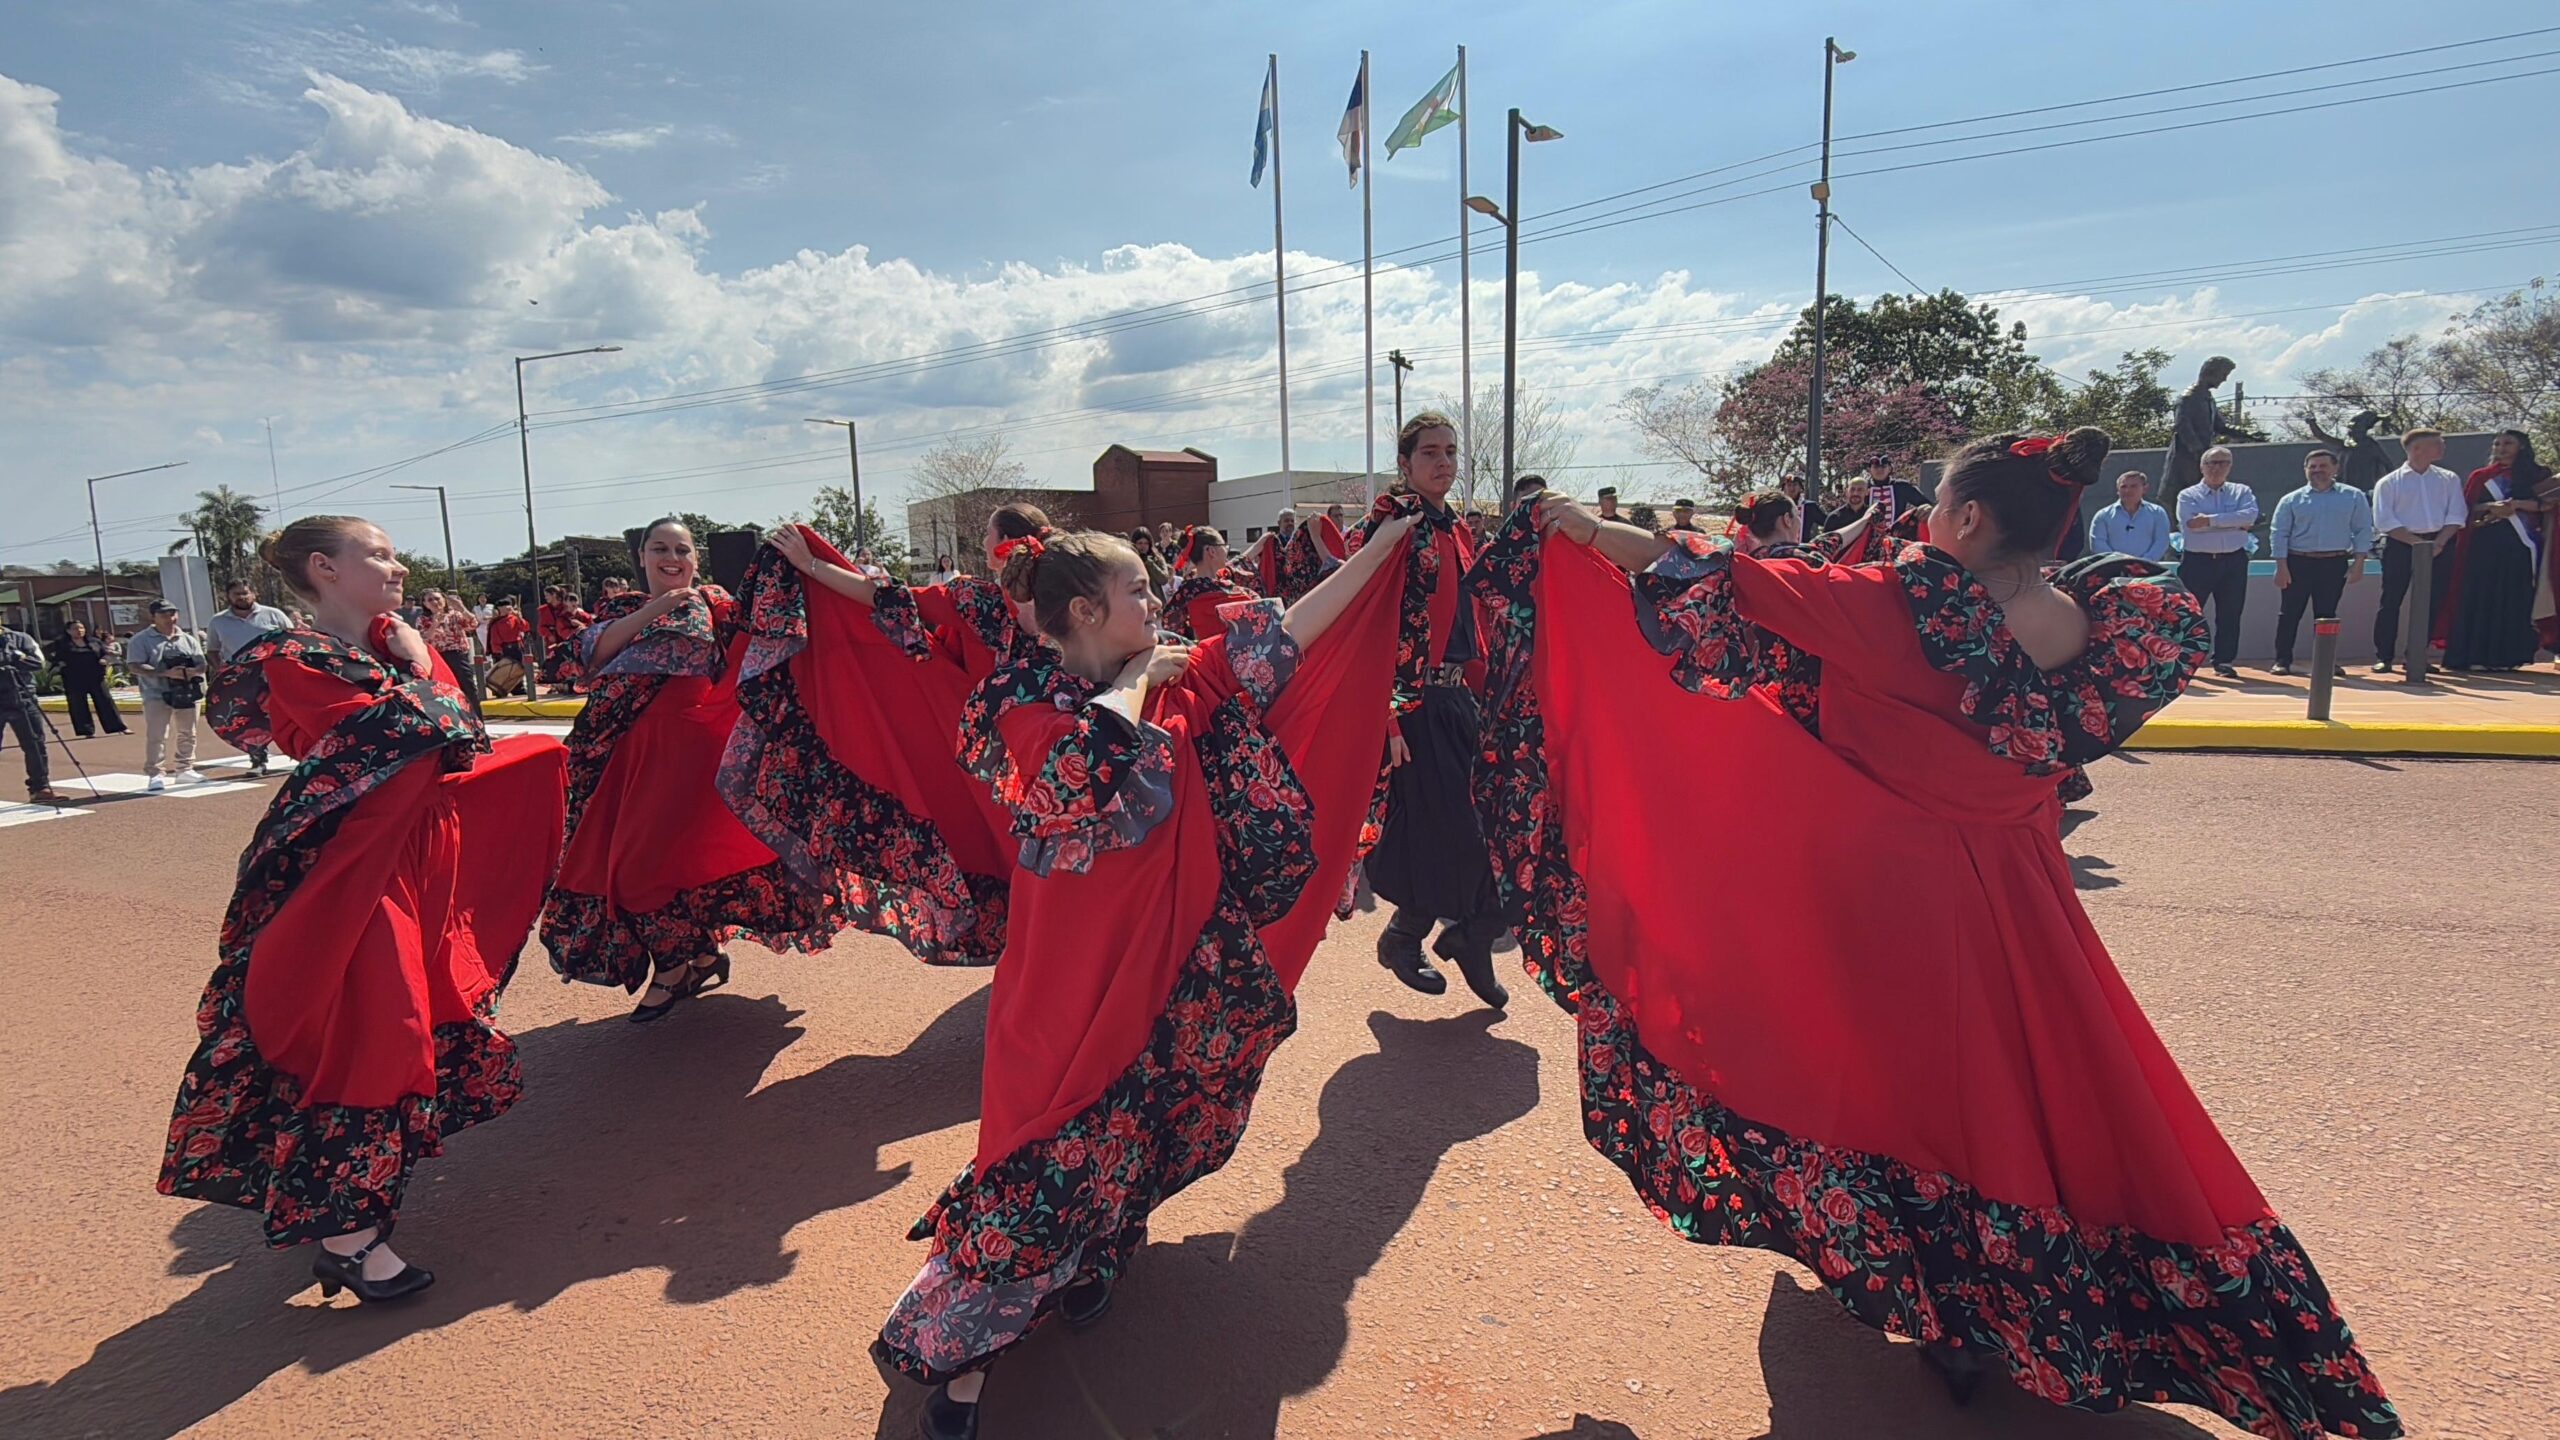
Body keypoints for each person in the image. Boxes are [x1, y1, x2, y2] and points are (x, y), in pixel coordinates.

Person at [1502, 430, 2398, 1440]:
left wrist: (1575, 525)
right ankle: (2055, 1320)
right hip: (2024, 902)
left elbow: (1706, 570)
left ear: (1967, 519)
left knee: (1893, 1094)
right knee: (2039, 1090)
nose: (1927, 522)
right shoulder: (2106, 626)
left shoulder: (1892, 609)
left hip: (1888, 910)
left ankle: (1943, 1309)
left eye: (1939, 507)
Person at [875, 517, 1412, 1435]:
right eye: (1138, 592)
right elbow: (1076, 770)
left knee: (1144, 1116)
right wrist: (1129, 685)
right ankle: (964, 1369)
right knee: (1035, 1155)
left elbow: (1286, 632)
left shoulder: (1178, 676)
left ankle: (1094, 1258)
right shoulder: (1018, 697)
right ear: (1085, 610)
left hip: (1173, 961)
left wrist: (1382, 551)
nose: (1157, 604)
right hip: (1065, 981)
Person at [158, 515, 567, 1303]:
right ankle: (346, 1237)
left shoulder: (373, 653)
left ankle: (349, 1218)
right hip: (348, 876)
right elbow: (433, 726)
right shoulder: (295, 657)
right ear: (325, 569)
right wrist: (421, 660)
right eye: (377, 554)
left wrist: (415, 660)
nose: (398, 566)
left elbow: (463, 740)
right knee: (377, 1029)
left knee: (390, 1023)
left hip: (399, 865)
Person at [541, 518, 834, 1021]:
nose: (671, 557)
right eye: (660, 548)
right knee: (628, 868)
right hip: (631, 755)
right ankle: (694, 957)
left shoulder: (717, 604)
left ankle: (680, 966)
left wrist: (805, 562)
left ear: (696, 560)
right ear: (641, 557)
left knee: (646, 867)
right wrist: (661, 606)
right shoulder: (620, 609)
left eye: (682, 549)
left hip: (697, 753)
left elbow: (777, 632)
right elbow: (581, 658)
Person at [1362, 412, 1509, 1010]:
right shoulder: (1392, 524)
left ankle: (1467, 934)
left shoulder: (1456, 529)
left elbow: (1470, 620)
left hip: (1457, 698)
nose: (1444, 462)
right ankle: (1411, 935)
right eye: (1430, 453)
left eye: (1450, 451)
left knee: (1498, 821)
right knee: (1454, 832)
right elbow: (1366, 621)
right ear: (1405, 463)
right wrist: (1388, 716)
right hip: (1414, 704)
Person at [2435, 429, 2550, 672]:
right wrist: (2490, 506)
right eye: (2497, 444)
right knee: (2480, 596)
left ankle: (2507, 656)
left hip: (2520, 546)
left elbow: (2546, 506)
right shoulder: (2481, 477)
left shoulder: (2538, 474)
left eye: (2508, 443)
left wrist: (2516, 505)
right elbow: (2466, 508)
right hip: (2483, 545)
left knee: (2512, 597)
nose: (2501, 448)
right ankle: (2472, 654)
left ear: (2522, 447)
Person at [2267, 450, 2375, 676]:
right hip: (2298, 562)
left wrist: (2359, 563)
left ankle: (2326, 662)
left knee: (2327, 614)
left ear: (2335, 468)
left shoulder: (2353, 497)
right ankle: (2282, 660)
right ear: (2305, 470)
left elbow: (2363, 530)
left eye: (2323, 466)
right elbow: (2279, 534)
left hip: (2334, 562)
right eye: (2312, 467)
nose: (2317, 471)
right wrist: (2281, 566)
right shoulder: (2291, 500)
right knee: (2289, 613)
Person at [2369, 428, 2468, 673]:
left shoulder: (2448, 478)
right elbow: (2385, 521)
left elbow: (2456, 514)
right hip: (2401, 545)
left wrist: (2440, 542)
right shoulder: (2389, 482)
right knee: (2391, 599)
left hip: (2440, 544)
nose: (2442, 448)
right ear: (2416, 449)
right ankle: (2384, 656)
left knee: (2433, 600)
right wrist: (2417, 544)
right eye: (2437, 444)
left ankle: (2417, 654)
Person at [2173, 446, 2258, 679]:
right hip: (2197, 561)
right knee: (2189, 613)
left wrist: (2210, 520)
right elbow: (2191, 526)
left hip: (2233, 560)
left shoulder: (2242, 492)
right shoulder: (2188, 495)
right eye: (2211, 463)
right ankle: (2185, 660)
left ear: (2230, 466)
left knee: (2230, 613)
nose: (2216, 468)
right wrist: (2233, 522)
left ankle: (2224, 660)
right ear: (2202, 467)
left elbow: (2250, 517)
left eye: (2222, 462)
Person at [207, 580, 294, 775]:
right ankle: (258, 761)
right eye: (237, 594)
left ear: (253, 594)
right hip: (241, 678)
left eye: (245, 593)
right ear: (228, 596)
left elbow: (294, 638)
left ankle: (301, 754)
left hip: (275, 673)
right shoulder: (218, 621)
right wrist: (223, 670)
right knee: (250, 719)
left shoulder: (273, 615)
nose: (242, 597)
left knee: (288, 713)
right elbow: (212, 651)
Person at [126, 599, 210, 790]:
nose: (169, 619)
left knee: (188, 732)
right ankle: (155, 773)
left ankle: (185, 768)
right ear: (153, 617)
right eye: (163, 615)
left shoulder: (188, 639)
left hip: (187, 692)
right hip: (157, 693)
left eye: (172, 614)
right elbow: (134, 666)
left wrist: (192, 671)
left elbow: (202, 664)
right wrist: (164, 673)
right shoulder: (141, 640)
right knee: (157, 735)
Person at [2, 622, 76, 805]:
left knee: (35, 744)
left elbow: (38, 663)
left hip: (23, 697)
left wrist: (15, 656)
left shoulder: (20, 639)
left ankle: (40, 787)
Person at [2160, 355, 2238, 506]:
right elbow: (2182, 428)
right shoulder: (2188, 398)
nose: (2224, 380)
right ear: (2211, 373)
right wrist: (2203, 455)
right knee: (2183, 501)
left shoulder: (2207, 398)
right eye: (2223, 375)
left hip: (2201, 461)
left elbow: (2220, 426)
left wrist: (2248, 434)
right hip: (2185, 462)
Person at [1161, 525, 1263, 640]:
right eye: (1224, 546)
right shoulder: (1201, 588)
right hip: (1224, 653)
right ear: (1211, 551)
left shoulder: (1188, 590)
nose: (1226, 550)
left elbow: (1169, 622)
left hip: (1208, 654)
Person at [48, 619, 126, 737]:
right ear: (68, 631)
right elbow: (49, 654)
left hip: (96, 676)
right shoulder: (61, 643)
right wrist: (60, 664)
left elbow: (104, 653)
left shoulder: (94, 642)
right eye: (75, 628)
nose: (79, 631)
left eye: (81, 628)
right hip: (73, 678)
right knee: (78, 705)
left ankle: (117, 727)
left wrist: (105, 660)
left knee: (105, 701)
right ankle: (86, 730)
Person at [418, 589, 483, 717]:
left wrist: (462, 608)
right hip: (437, 657)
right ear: (425, 604)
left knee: (468, 688)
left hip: (457, 654)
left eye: (437, 599)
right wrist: (435, 623)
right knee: (443, 691)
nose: (435, 602)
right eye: (430, 600)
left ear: (444, 600)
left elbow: (472, 624)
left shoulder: (455, 615)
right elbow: (424, 639)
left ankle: (477, 720)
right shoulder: (423, 619)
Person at [2088, 470, 2171, 561]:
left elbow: (2161, 542)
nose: (2128, 490)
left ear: (2145, 489)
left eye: (2133, 486)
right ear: (2117, 490)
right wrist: (2117, 562)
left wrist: (2145, 562)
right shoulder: (2103, 515)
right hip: (2112, 569)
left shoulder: (2157, 513)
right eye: (2123, 486)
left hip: (2148, 569)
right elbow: (2098, 544)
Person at [484, 597, 531, 697]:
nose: (507, 608)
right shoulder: (495, 623)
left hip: (517, 646)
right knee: (504, 669)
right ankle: (501, 688)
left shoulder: (515, 618)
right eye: (504, 606)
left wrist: (520, 618)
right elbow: (494, 638)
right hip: (504, 648)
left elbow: (525, 627)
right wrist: (497, 650)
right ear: (499, 609)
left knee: (518, 668)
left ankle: (519, 687)